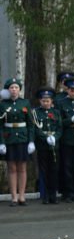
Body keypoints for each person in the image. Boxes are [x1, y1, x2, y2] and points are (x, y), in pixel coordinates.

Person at [0, 78, 35, 206]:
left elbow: (30, 124)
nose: (14, 90)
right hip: (9, 138)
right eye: (11, 88)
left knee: (22, 167)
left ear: (19, 90)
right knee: (11, 168)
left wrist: (31, 141)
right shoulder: (3, 104)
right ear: (7, 90)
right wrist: (1, 142)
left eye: (16, 87)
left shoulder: (25, 102)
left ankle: (22, 196)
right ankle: (13, 196)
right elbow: (1, 125)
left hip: (22, 138)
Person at [32, 87, 62, 204]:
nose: (45, 103)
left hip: (54, 145)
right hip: (43, 145)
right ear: (40, 101)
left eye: (48, 100)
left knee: (54, 170)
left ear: (51, 101)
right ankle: (44, 195)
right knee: (43, 170)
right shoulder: (35, 113)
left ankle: (53, 195)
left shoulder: (56, 113)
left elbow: (60, 128)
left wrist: (55, 137)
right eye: (43, 100)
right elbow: (36, 129)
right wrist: (45, 138)